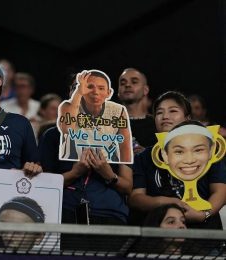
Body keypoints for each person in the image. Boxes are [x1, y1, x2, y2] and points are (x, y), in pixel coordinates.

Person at [39, 75, 133, 251]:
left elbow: (128, 187)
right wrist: (75, 173)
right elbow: (44, 186)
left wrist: (108, 174)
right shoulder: (52, 136)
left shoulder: (120, 132)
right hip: (64, 214)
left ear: (107, 94)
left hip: (109, 216)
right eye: (78, 87)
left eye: (94, 88)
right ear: (70, 93)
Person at [128, 91, 226, 229]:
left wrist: (203, 214)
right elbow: (136, 198)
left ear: (187, 118)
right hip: (161, 237)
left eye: (173, 111)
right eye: (159, 112)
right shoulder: (144, 157)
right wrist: (167, 202)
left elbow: (221, 190)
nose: (165, 116)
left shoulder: (207, 148)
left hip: (206, 235)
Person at [58, 70, 132, 163]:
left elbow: (124, 147)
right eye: (89, 87)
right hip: (73, 167)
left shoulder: (118, 110)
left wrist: (124, 174)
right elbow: (68, 130)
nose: (95, 92)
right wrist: (79, 92)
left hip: (107, 168)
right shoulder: (67, 106)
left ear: (108, 92)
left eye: (101, 88)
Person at [118, 68, 156, 154]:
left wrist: (147, 156)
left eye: (134, 82)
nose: (127, 85)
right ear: (118, 92)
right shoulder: (107, 124)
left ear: (145, 90)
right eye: (122, 83)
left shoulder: (156, 125)